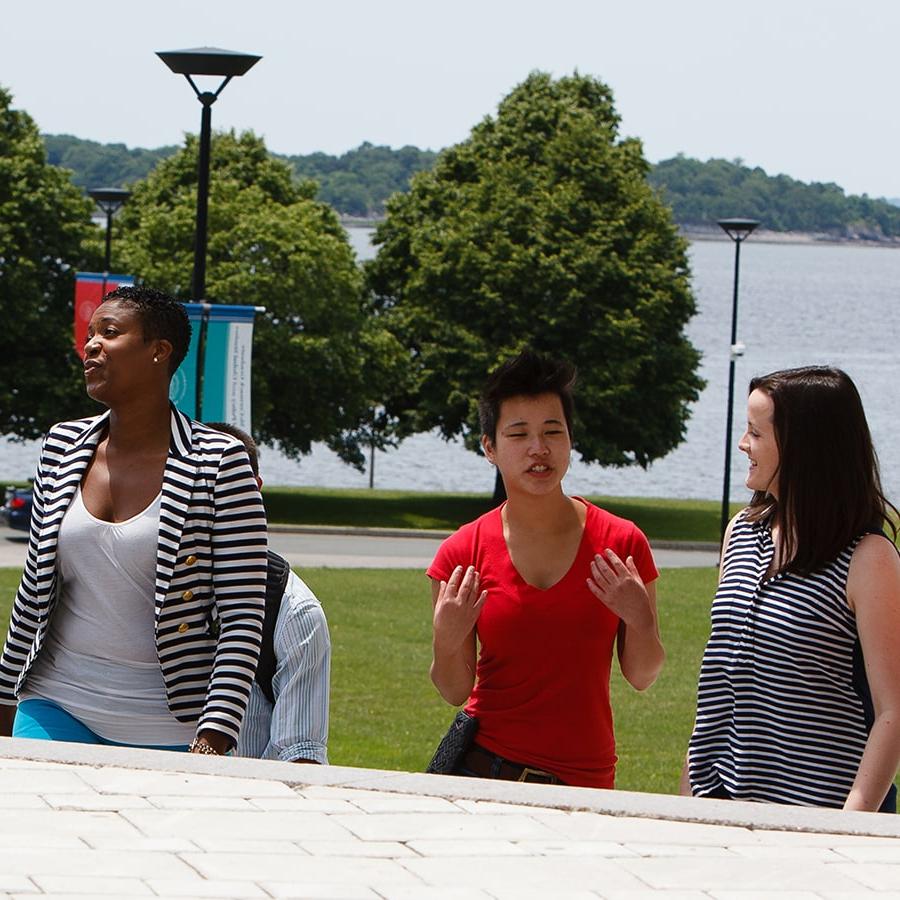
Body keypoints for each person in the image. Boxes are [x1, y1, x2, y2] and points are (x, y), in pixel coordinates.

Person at [0, 285, 267, 755]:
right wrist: (3, 696)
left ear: (158, 352)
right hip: (55, 701)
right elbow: (33, 588)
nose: (92, 345)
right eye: (89, 334)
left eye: (110, 332)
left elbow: (243, 614)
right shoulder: (61, 447)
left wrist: (215, 732)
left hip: (167, 724)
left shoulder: (219, 462)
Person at [427, 350, 664, 788]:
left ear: (570, 439)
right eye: (518, 434)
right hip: (486, 774)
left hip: (586, 782)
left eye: (552, 431)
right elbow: (454, 689)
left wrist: (641, 619)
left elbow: (643, 675)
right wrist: (446, 639)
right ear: (490, 448)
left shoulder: (622, 543)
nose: (539, 448)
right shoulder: (462, 551)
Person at [686, 366, 900, 812]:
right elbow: (720, 679)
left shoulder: (868, 558)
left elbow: (892, 712)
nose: (743, 444)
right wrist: (689, 802)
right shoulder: (740, 532)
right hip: (719, 805)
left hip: (818, 817)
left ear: (804, 447)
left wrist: (846, 828)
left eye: (755, 433)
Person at [207, 423, 331, 764]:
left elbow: (300, 755)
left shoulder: (295, 613)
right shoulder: (137, 583)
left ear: (255, 490)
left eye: (223, 489)